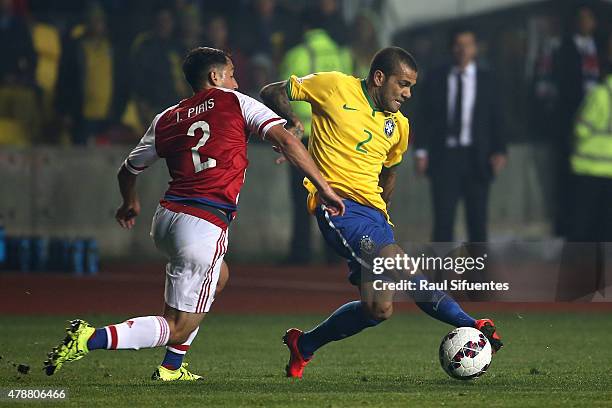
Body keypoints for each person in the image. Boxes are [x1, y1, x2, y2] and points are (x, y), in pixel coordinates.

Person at [44, 47, 345, 381]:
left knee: (221, 276)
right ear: (215, 77)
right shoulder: (236, 101)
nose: (236, 79)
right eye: (231, 73)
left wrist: (129, 203)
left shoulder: (168, 117)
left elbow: (127, 170)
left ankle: (171, 368)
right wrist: (324, 187)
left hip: (167, 219)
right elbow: (286, 141)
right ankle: (90, 338)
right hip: (203, 224)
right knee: (176, 326)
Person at [260, 46, 503, 379]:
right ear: (379, 77)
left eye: (411, 87)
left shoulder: (399, 126)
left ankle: (304, 345)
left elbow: (389, 174)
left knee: (378, 309)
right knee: (396, 260)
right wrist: (289, 122)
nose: (407, 93)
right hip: (338, 206)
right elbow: (271, 91)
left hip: (375, 217)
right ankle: (471, 321)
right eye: (402, 84)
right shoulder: (334, 86)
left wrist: (381, 216)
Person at [414, 27, 506, 243]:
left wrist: (500, 150)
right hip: (445, 157)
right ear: (451, 48)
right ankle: (441, 273)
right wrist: (420, 152)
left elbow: (497, 117)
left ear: (475, 48)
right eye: (458, 45)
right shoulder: (436, 78)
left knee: (478, 223)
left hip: (477, 157)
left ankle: (478, 274)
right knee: (443, 223)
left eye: (468, 45)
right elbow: (425, 116)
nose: (463, 50)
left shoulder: (488, 80)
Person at [279, 9, 352, 264]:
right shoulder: (342, 55)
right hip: (335, 138)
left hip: (304, 135)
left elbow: (282, 95)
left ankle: (301, 253)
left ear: (305, 27)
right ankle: (334, 253)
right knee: (331, 194)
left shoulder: (296, 54)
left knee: (302, 198)